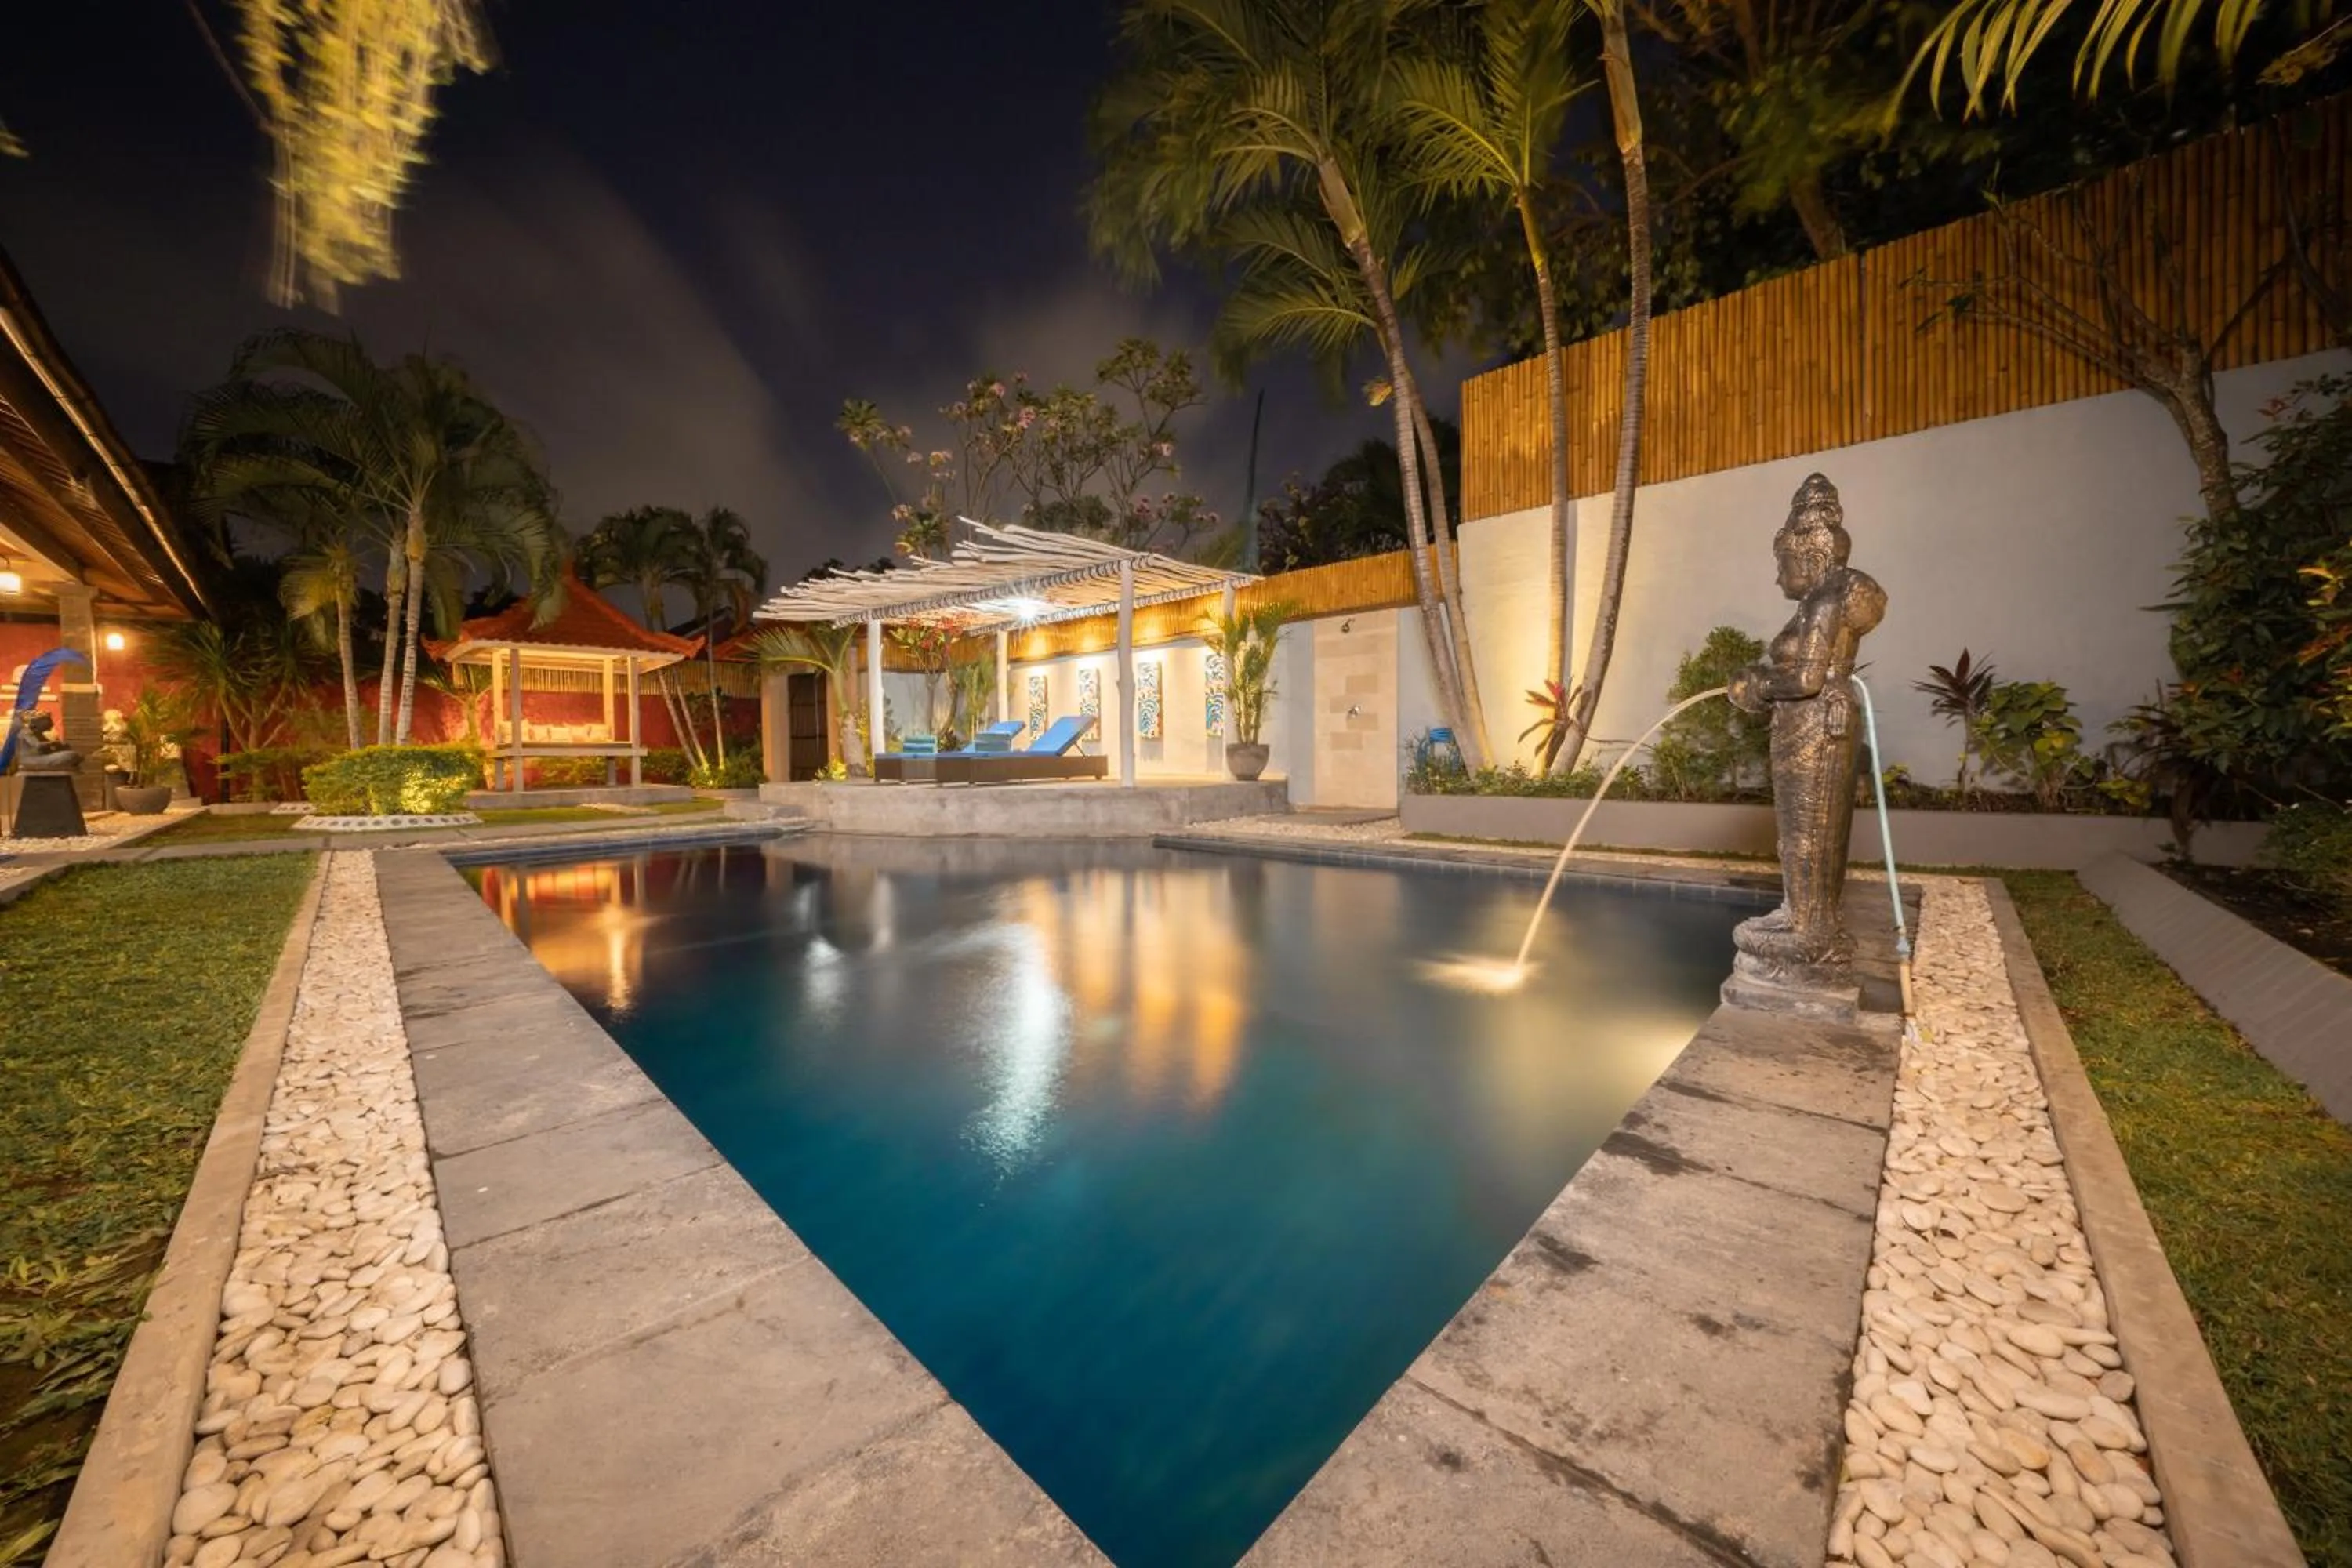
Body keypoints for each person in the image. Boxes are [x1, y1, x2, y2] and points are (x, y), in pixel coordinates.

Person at [1724, 473, 1886, 1013]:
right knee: (1797, 827)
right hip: (1803, 725)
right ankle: (1801, 910)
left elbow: (1807, 680)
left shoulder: (1824, 602)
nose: (1778, 578)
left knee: (1811, 826)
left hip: (1816, 722)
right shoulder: (1816, 600)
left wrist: (1756, 685)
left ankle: (1812, 932)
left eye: (1782, 565)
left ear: (1811, 557)